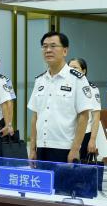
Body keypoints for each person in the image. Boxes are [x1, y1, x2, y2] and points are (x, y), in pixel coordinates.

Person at [27, 32, 97, 164]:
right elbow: (35, 116)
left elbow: (84, 116)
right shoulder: (40, 80)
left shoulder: (77, 79)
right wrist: (32, 148)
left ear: (65, 51)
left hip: (65, 148)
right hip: (42, 147)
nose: (48, 50)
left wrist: (75, 149)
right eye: (45, 46)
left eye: (53, 46)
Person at [68, 58, 101, 163]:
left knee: (80, 166)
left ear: (84, 71)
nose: (72, 70)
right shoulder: (65, 87)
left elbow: (96, 117)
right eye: (69, 68)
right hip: (67, 135)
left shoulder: (91, 89)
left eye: (75, 68)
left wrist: (92, 140)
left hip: (84, 134)